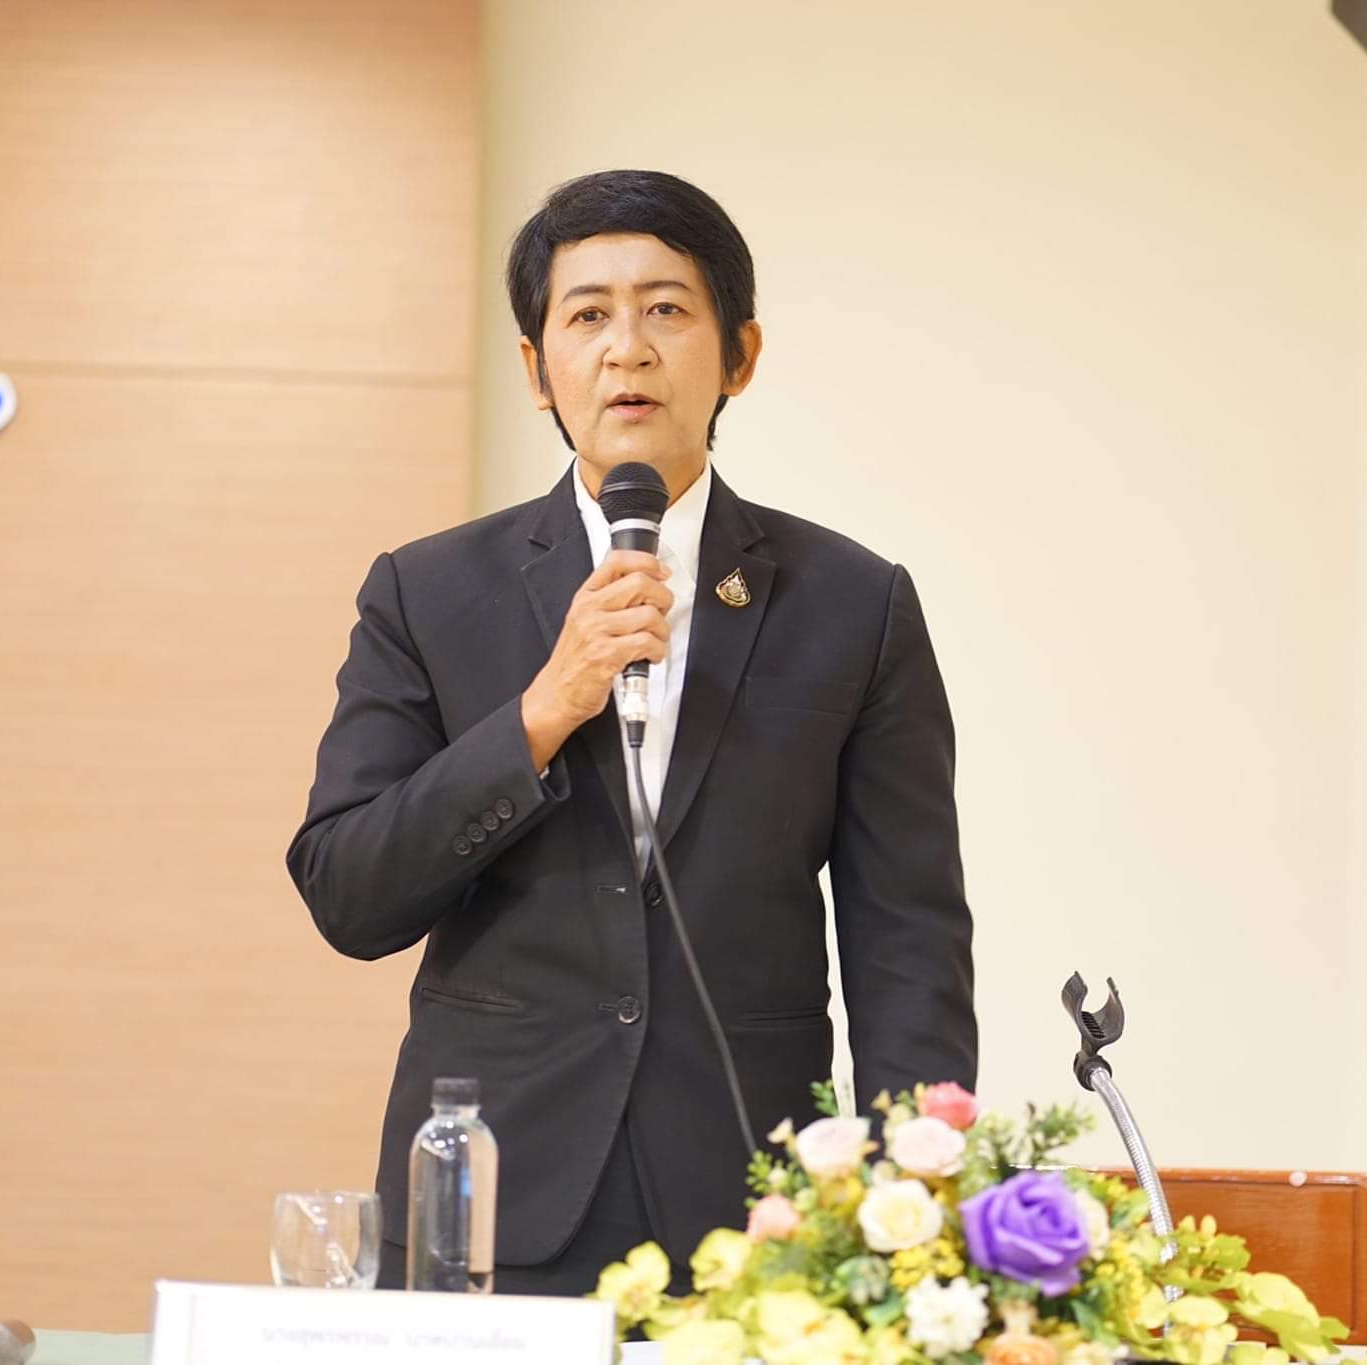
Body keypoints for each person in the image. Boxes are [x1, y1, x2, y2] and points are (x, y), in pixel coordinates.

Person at [286, 169, 976, 1297]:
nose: (628, 350)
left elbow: (907, 937)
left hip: (755, 1206)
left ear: (739, 355)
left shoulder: (854, 603)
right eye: (588, 315)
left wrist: (913, 1202)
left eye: (666, 309)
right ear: (536, 369)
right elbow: (348, 894)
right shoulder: (426, 591)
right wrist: (544, 709)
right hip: (491, 1196)